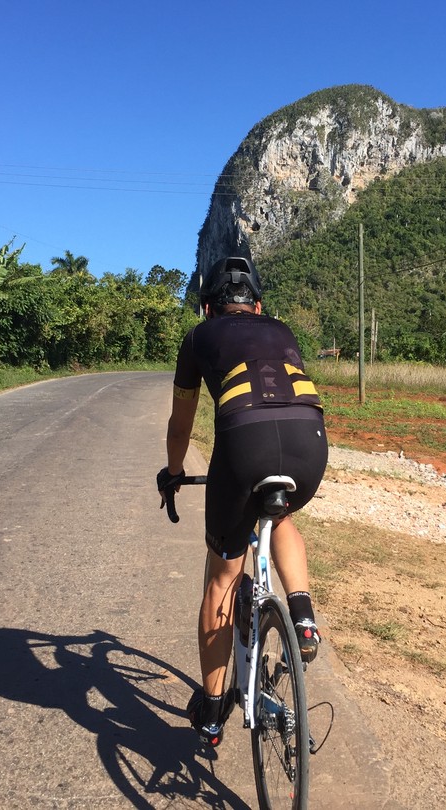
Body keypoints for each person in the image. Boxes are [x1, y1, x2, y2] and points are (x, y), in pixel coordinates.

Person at [157, 254, 328, 748]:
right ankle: (302, 616)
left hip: (242, 445)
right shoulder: (283, 329)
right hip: (309, 443)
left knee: (223, 575)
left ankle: (212, 710)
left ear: (208, 307)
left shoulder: (197, 338)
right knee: (282, 516)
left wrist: (173, 474)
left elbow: (180, 425)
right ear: (257, 305)